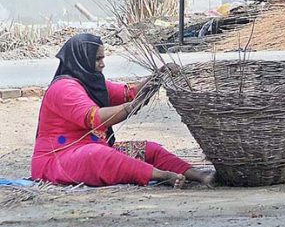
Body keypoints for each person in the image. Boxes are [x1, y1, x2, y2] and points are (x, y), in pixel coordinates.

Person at [31, 33, 215, 188]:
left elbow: (130, 93)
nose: (102, 64)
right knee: (97, 155)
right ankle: (161, 175)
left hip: (93, 147)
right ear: (81, 60)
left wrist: (159, 75)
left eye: (102, 58)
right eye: (97, 59)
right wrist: (131, 108)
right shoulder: (63, 88)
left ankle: (198, 175)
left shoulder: (93, 83)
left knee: (150, 149)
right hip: (57, 160)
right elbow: (95, 118)